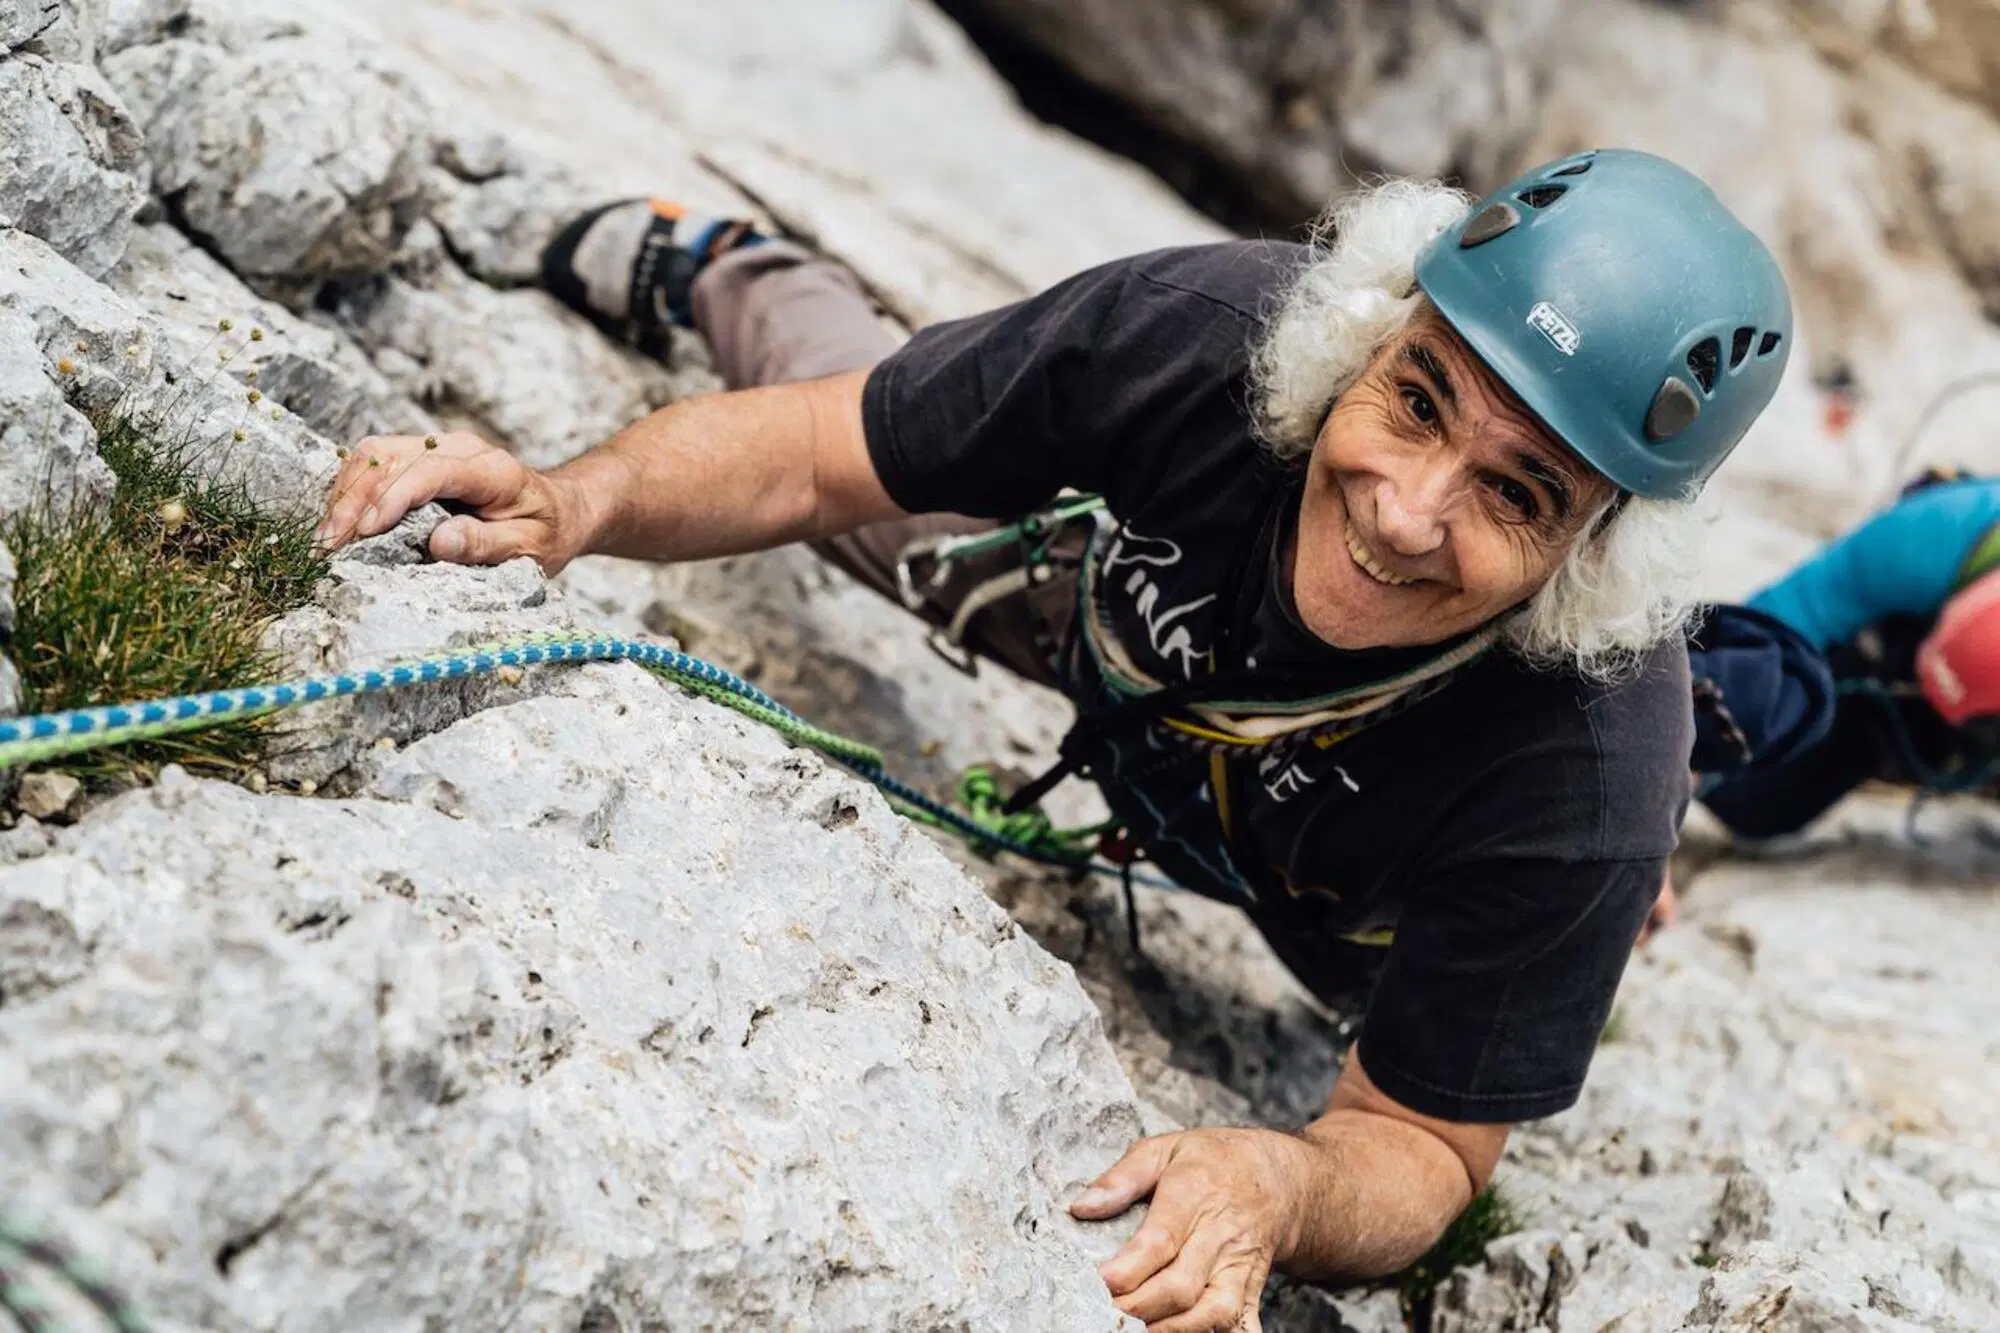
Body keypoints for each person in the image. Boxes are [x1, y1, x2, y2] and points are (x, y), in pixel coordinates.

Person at [317, 150, 1792, 1331]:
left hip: (1363, 904)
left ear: (1597, 543)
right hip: (1131, 638)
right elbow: (828, 443)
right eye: (1415, 402)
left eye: (1519, 493)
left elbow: (1423, 1142)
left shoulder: (1582, 768)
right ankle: (722, 261)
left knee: (1555, 907)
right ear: (1371, 334)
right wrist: (577, 506)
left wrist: (1283, 1184)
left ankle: (1619, 906)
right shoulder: (1203, 338)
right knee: (900, 516)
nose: (1409, 509)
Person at [1697, 472, 2000, 838]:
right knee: (1754, 807)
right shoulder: (1932, 534)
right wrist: (1684, 751)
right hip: (1897, 665)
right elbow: (1773, 631)